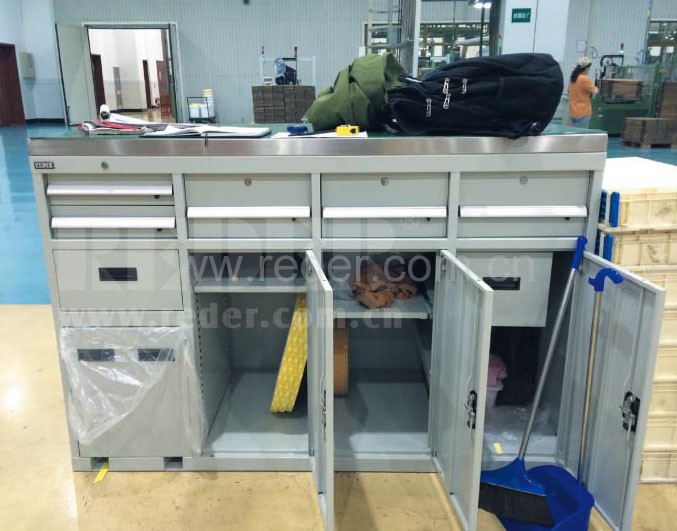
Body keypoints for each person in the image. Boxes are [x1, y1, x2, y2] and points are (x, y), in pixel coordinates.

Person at [568, 57, 599, 128]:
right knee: (582, 133)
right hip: (583, 112)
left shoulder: (573, 78)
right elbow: (595, 91)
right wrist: (596, 87)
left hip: (573, 112)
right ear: (586, 68)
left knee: (575, 132)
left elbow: (569, 91)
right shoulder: (585, 78)